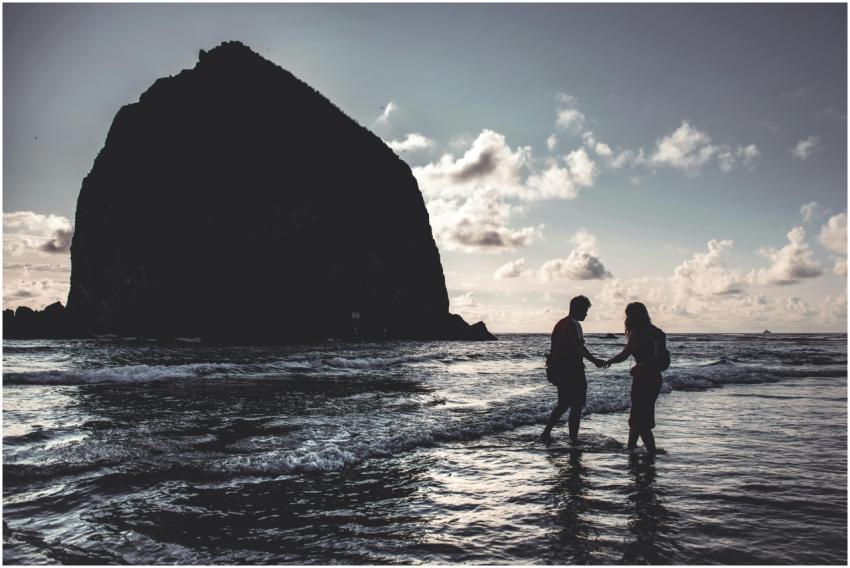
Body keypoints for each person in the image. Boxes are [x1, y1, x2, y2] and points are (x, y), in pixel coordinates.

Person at [540, 295, 606, 444]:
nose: (586, 314)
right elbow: (579, 347)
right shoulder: (574, 325)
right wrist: (595, 361)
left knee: (563, 403)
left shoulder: (560, 324)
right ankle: (573, 439)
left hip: (560, 369)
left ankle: (547, 432)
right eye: (584, 310)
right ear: (576, 308)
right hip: (573, 370)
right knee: (576, 406)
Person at [604, 302, 665, 455]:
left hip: (642, 378)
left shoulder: (636, 333)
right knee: (640, 415)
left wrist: (608, 361)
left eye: (628, 314)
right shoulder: (658, 333)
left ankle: (652, 452)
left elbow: (624, 354)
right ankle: (631, 447)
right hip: (656, 377)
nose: (627, 318)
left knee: (640, 419)